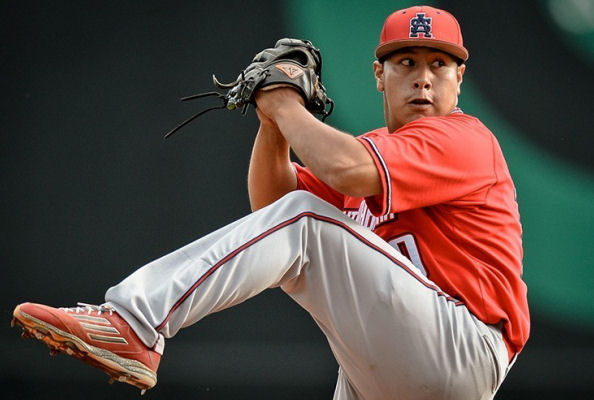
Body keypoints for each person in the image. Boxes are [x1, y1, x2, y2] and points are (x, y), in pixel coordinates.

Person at [12, 5, 529, 399]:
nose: (422, 76)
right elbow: (273, 209)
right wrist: (272, 121)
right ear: (379, 75)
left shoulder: (465, 140)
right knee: (299, 218)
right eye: (406, 62)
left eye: (439, 64)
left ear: (459, 80)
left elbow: (337, 179)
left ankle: (133, 323)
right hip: (393, 365)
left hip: (464, 347)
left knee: (306, 221)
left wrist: (282, 102)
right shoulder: (374, 149)